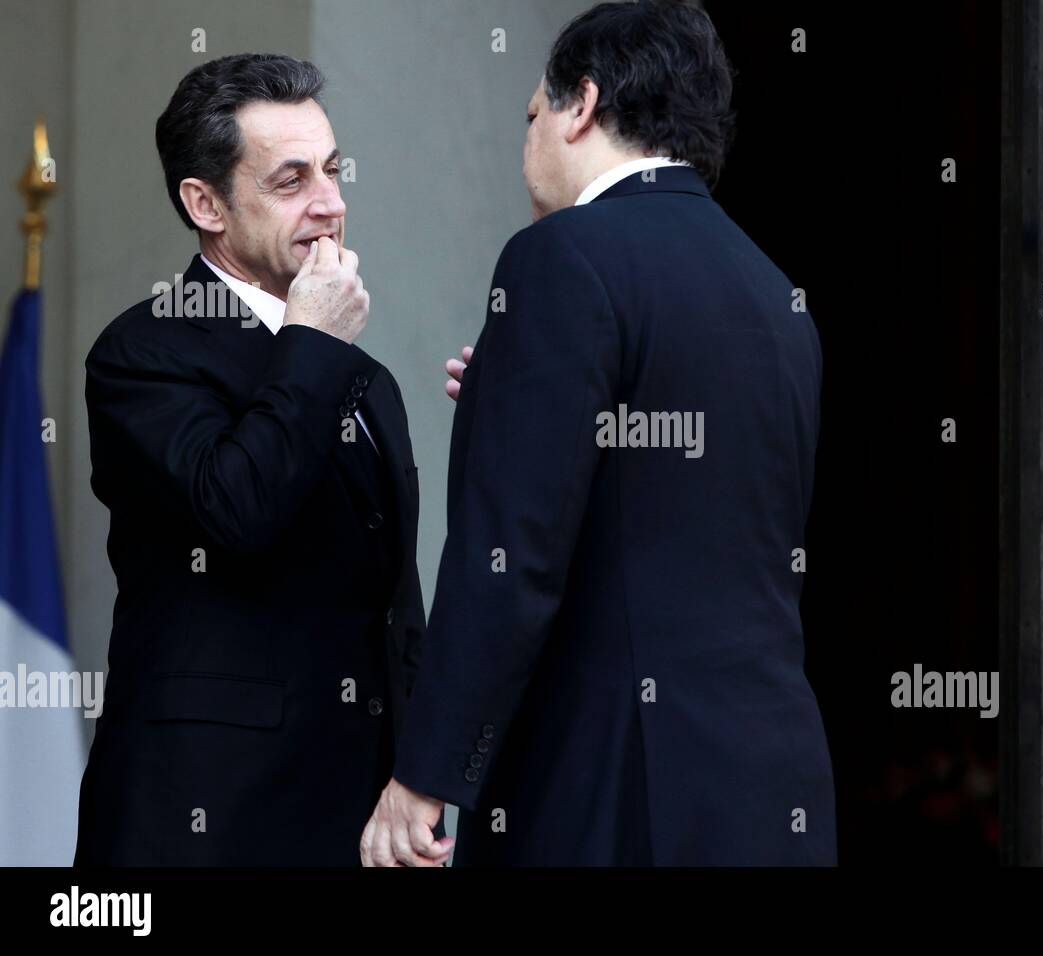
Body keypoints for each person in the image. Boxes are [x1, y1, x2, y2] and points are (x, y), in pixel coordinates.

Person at [362, 0, 836, 866]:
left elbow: (511, 558)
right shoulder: (778, 296)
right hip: (769, 786)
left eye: (532, 114)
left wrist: (425, 777)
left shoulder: (562, 257)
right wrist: (518, 406)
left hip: (613, 785)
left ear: (581, 104)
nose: (528, 141)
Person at [75, 53, 435, 865]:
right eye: (292, 180)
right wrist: (310, 343)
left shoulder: (359, 373)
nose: (332, 204)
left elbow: (394, 602)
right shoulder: (144, 349)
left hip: (363, 815)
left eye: (334, 171)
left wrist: (420, 774)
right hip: (208, 813)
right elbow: (237, 508)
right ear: (205, 203)